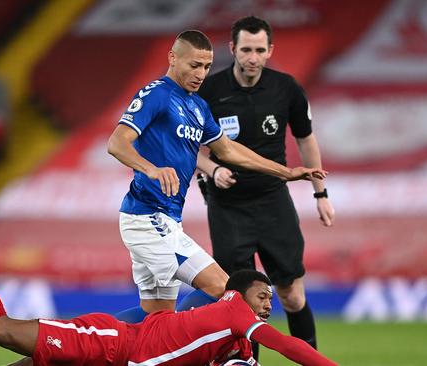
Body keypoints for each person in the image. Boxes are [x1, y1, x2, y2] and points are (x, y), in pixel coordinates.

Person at [107, 29, 326, 323]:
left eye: (207, 66)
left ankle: (72, 344)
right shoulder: (157, 94)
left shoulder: (197, 106)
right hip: (148, 218)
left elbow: (228, 150)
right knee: (226, 290)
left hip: (165, 219)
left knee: (154, 317)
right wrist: (151, 168)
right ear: (173, 58)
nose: (201, 73)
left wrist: (285, 172)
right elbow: (117, 142)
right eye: (194, 65)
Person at [0, 235, 338, 366]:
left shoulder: (240, 347)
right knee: (1, 330)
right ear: (239, 294)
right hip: (111, 346)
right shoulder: (236, 312)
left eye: (270, 299)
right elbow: (291, 347)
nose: (267, 303)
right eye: (262, 295)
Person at [195, 15, 336, 353]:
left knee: (291, 293)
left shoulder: (286, 89)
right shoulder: (210, 91)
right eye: (246, 49)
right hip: (227, 206)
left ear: (270, 50)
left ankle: (309, 359)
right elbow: (188, 150)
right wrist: (212, 170)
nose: (253, 58)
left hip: (273, 201)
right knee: (239, 301)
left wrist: (321, 193)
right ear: (232, 49)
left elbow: (305, 140)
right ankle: (247, 362)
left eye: (260, 50)